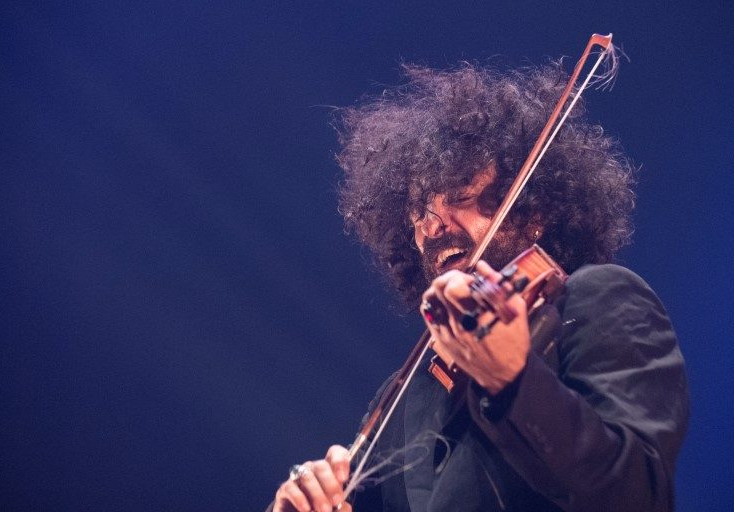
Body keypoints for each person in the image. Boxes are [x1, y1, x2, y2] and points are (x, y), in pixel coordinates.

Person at [269, 62, 688, 512]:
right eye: (420, 212)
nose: (436, 227)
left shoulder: (597, 299)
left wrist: (513, 381)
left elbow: (639, 493)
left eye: (461, 198)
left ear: (533, 214)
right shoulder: (406, 392)